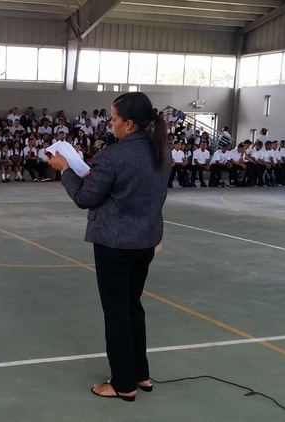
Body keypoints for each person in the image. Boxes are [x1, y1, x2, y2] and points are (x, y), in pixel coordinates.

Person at [49, 92, 170, 402]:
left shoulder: (113, 156)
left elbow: (85, 198)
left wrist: (65, 169)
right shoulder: (161, 152)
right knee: (132, 305)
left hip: (115, 244)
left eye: (114, 119)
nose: (111, 124)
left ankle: (122, 383)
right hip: (145, 241)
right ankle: (140, 373)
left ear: (129, 124)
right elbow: (128, 188)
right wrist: (94, 176)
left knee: (117, 311)